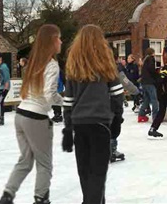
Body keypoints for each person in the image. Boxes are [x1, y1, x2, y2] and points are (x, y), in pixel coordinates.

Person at [0, 24, 63, 204]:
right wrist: (64, 102)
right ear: (51, 41)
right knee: (44, 164)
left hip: (21, 115)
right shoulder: (52, 64)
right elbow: (49, 94)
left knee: (25, 160)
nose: (61, 41)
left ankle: (6, 197)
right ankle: (41, 199)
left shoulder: (34, 61)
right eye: (58, 38)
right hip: (35, 118)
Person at [62, 24, 123, 204]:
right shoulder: (106, 64)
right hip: (101, 124)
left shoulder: (73, 67)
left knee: (85, 172)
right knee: (97, 173)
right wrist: (117, 119)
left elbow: (68, 100)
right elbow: (117, 95)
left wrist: (67, 126)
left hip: (80, 124)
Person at [138, 48, 159, 122]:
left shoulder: (145, 59)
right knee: (154, 99)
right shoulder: (151, 59)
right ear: (152, 53)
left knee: (146, 99)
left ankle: (141, 115)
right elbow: (151, 70)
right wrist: (157, 72)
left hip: (144, 82)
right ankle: (155, 117)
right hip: (150, 82)